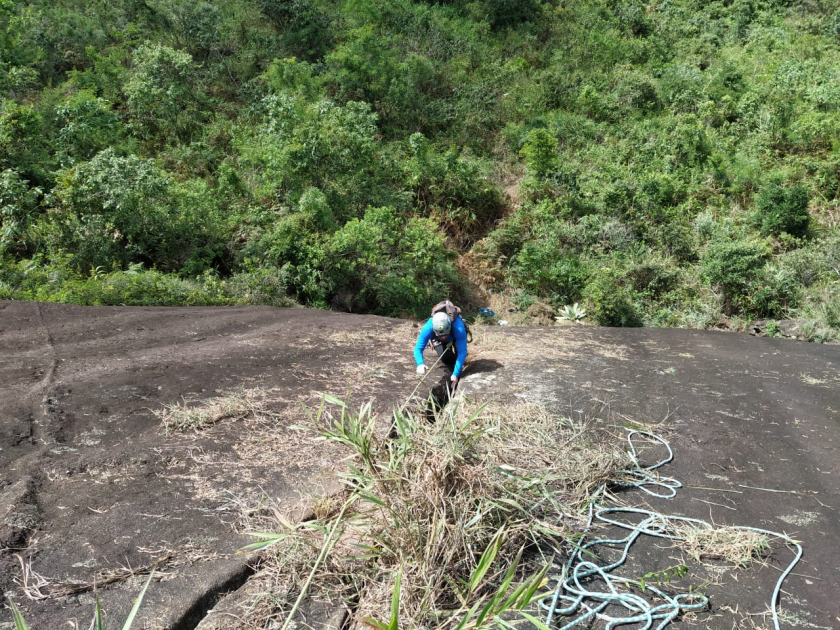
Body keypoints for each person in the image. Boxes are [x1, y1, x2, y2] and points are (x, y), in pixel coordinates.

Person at [414, 307, 468, 389]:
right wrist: (420, 364)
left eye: (445, 334)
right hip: (436, 338)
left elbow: (462, 352)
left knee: (459, 355)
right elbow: (418, 348)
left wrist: (456, 374)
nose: (443, 337)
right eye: (441, 335)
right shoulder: (428, 329)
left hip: (454, 336)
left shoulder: (459, 328)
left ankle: (457, 370)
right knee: (446, 357)